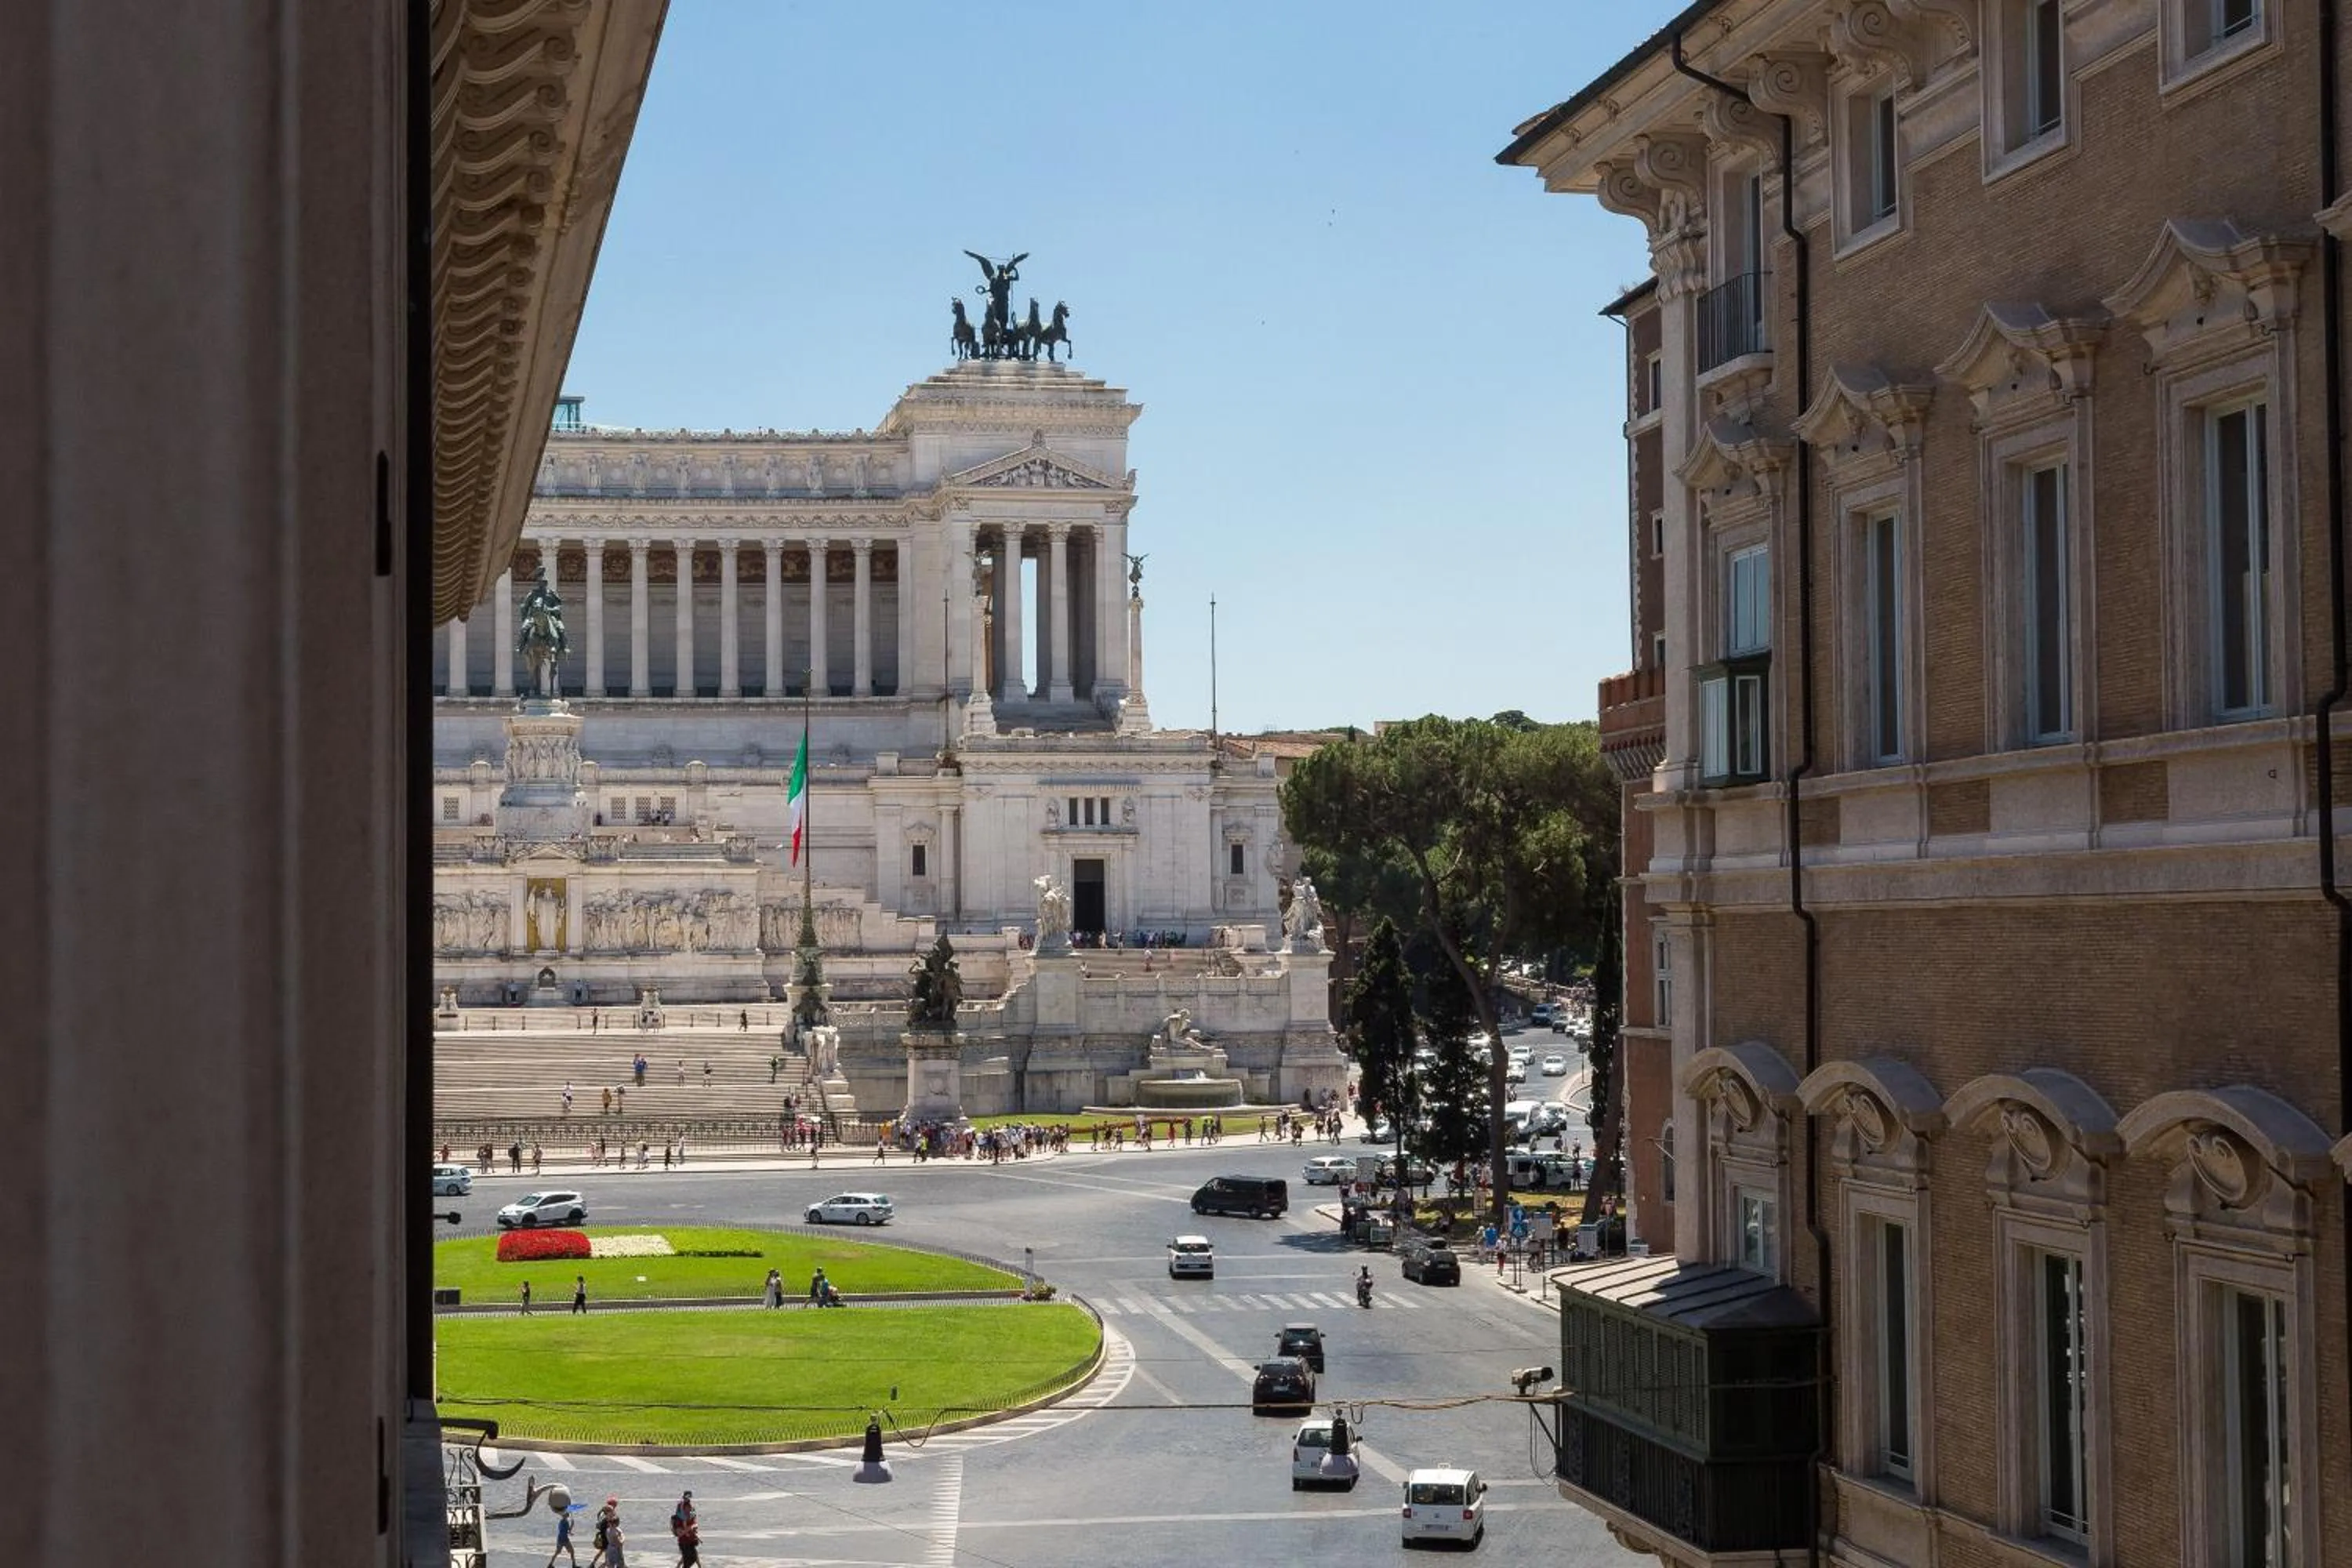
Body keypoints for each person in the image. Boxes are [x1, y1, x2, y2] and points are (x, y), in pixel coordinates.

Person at [546, 1500, 580, 1567]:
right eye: (567, 1513)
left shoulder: (562, 1522)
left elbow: (566, 1531)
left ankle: (550, 1565)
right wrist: (571, 1526)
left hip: (560, 1539)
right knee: (572, 1551)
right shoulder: (565, 1522)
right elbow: (567, 1531)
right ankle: (574, 1565)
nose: (568, 1514)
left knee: (557, 1552)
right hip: (564, 1540)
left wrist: (571, 1528)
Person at [670, 1490, 699, 1567]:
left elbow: (694, 1520)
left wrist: (693, 1528)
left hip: (690, 1538)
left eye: (688, 1497)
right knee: (688, 1559)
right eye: (686, 1496)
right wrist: (680, 1530)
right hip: (684, 1539)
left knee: (692, 1558)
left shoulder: (692, 1507)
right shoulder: (680, 1507)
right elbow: (677, 1521)